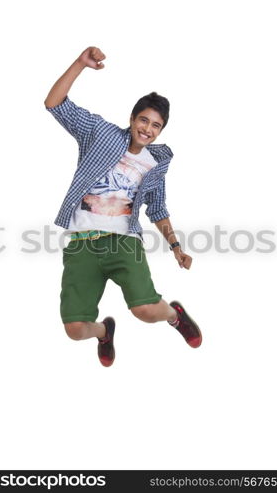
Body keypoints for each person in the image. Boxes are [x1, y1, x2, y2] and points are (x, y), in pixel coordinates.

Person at [44, 46, 202, 367]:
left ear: (160, 131)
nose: (147, 128)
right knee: (74, 329)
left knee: (145, 310)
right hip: (82, 244)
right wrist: (80, 64)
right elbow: (54, 103)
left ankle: (174, 315)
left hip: (123, 243)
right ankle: (104, 331)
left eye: (156, 125)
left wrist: (176, 247)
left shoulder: (154, 164)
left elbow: (157, 209)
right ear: (132, 119)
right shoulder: (100, 133)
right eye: (143, 120)